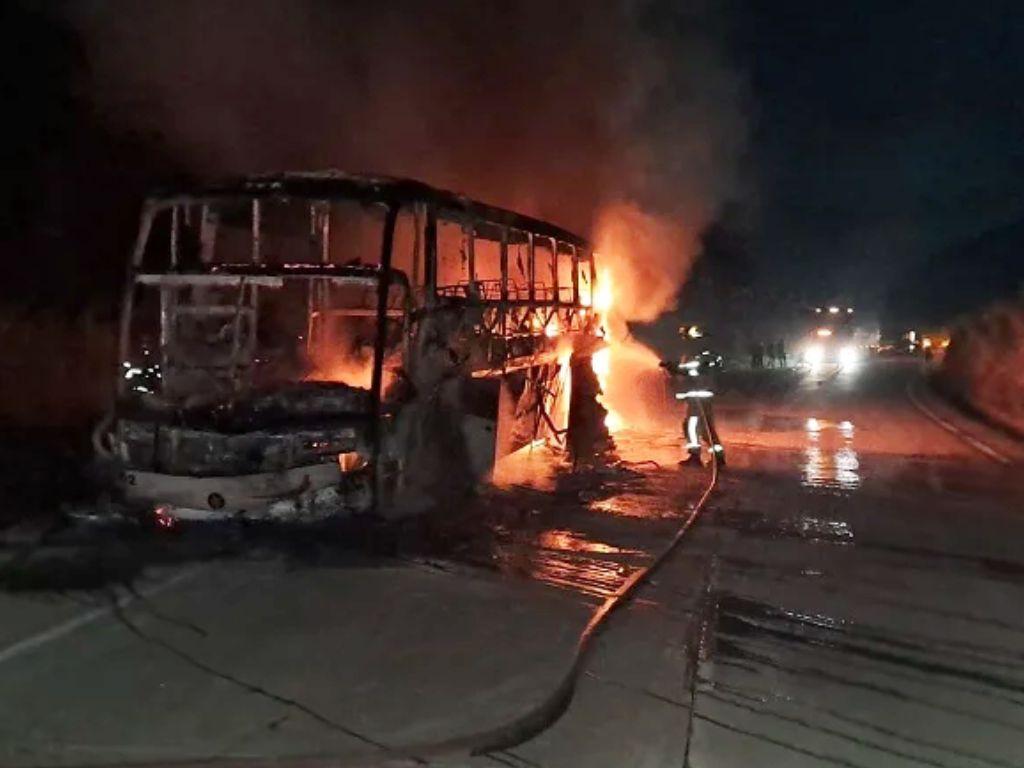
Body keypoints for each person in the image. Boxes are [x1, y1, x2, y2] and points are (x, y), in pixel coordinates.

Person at [661, 356, 726, 467]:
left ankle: (695, 457)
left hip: (697, 402)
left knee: (691, 428)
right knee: (707, 431)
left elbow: (688, 370)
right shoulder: (705, 357)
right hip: (701, 401)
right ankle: (718, 458)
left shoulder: (698, 358)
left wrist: (672, 367)